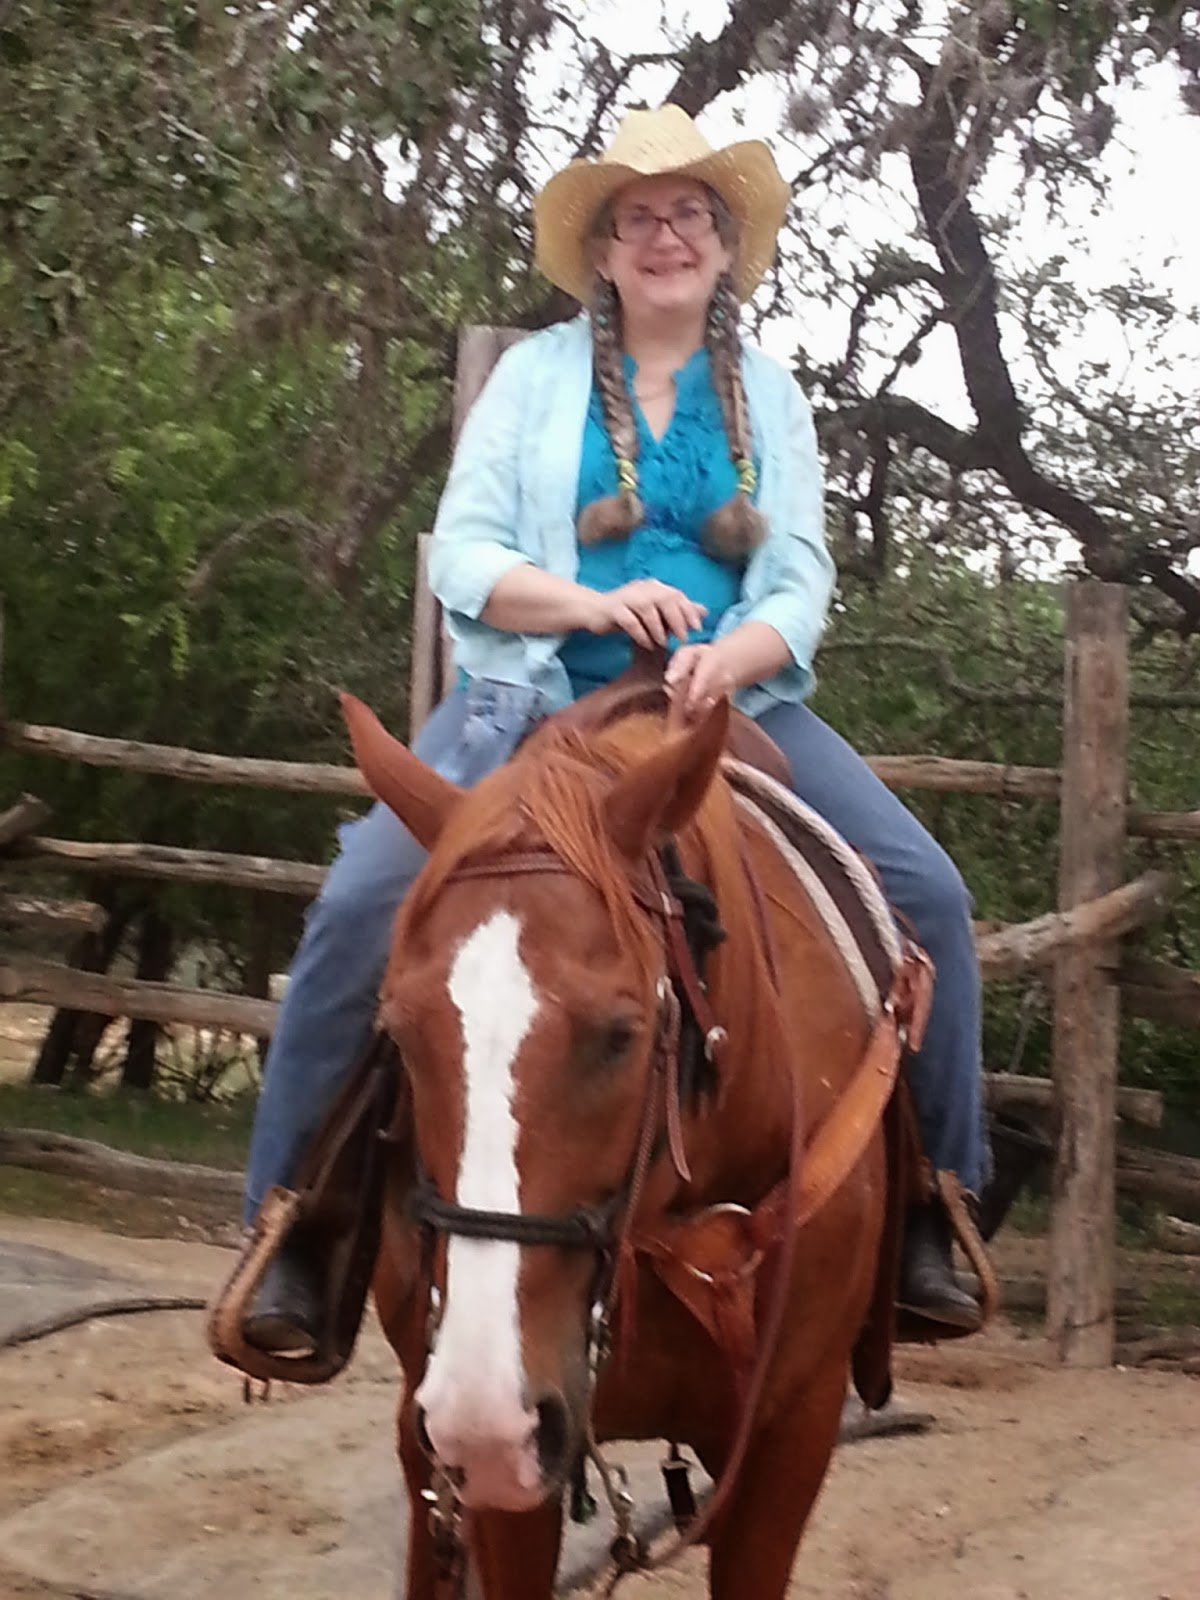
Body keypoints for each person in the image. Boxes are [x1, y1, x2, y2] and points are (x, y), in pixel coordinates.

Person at [240, 104, 987, 1357]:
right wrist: (592, 602)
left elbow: (798, 580)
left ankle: (929, 1203)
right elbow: (465, 556)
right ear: (602, 251)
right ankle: (297, 1226)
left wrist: (728, 657)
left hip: (727, 710)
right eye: (638, 218)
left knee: (929, 898)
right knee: (362, 901)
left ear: (724, 243)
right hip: (528, 704)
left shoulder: (771, 397)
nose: (665, 235)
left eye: (689, 213)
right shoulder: (533, 381)